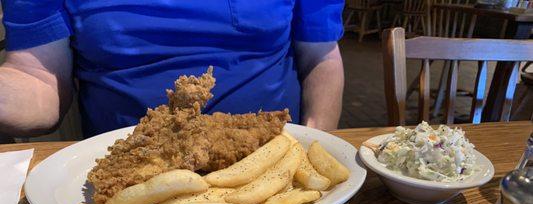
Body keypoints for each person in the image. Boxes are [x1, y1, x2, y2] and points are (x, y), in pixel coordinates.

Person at [0, 1, 344, 140]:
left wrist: (315, 143)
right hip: (132, 182)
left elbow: (321, 56)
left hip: (271, 160)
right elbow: (37, 76)